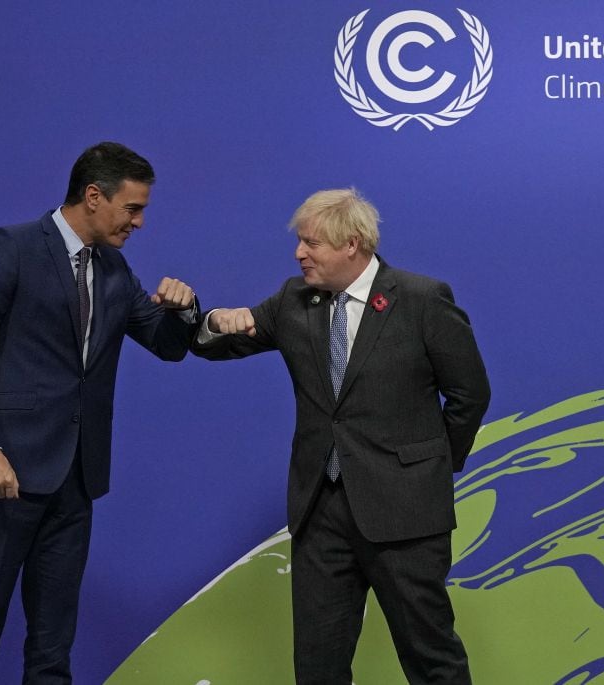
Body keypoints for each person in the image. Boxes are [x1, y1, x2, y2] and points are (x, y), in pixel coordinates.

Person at [193, 188, 490, 684]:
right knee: (317, 667)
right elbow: (216, 345)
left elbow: (470, 395)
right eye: (300, 242)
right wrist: (210, 320)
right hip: (321, 512)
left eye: (311, 243)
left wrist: (428, 468)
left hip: (406, 514)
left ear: (352, 244)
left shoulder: (422, 300)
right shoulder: (293, 300)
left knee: (431, 658)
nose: (299, 253)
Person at [0, 142, 198, 683]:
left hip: (75, 480)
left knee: (54, 646)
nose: (141, 222)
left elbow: (167, 343)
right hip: (4, 477)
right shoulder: (10, 247)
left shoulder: (114, 267)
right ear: (93, 196)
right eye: (132, 209)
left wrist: (183, 312)